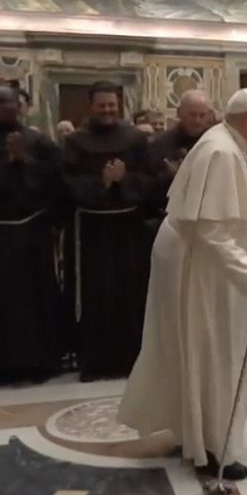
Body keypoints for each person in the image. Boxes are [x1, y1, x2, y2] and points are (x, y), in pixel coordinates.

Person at [119, 88, 247, 482]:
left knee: (196, 352)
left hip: (201, 263)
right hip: (202, 270)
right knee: (214, 352)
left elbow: (240, 216)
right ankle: (214, 444)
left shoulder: (229, 145)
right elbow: (212, 229)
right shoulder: (222, 152)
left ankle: (196, 433)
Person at [62, 81, 152, 381]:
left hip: (128, 229)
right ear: (92, 106)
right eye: (102, 105)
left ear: (119, 105)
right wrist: (101, 182)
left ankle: (131, 359)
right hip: (92, 230)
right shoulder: (76, 141)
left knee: (131, 292)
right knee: (95, 294)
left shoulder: (135, 138)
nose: (107, 110)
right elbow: (67, 182)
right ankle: (95, 362)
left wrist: (124, 180)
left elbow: (149, 179)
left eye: (112, 105)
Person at [0, 85, 63, 380]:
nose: (6, 108)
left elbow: (54, 180)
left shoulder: (39, 142)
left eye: (10, 103)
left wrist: (24, 161)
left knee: (35, 300)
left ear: (21, 106)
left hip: (32, 234)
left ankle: (40, 363)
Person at [148, 90, 211, 214]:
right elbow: (148, 185)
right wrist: (171, 177)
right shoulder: (161, 143)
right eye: (192, 115)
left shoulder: (214, 141)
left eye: (202, 115)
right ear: (179, 113)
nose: (197, 121)